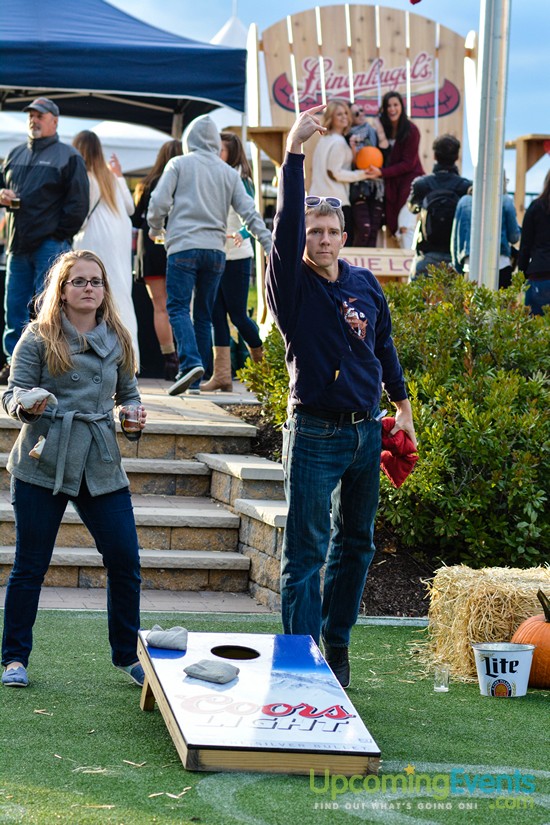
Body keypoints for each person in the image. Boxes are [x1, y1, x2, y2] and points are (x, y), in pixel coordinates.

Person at [265, 105, 416, 689]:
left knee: (358, 544)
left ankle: (338, 644)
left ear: (345, 236)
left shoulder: (363, 282)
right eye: (313, 233)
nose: (323, 240)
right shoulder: (291, 286)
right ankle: (298, 662)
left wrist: (401, 405)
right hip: (315, 433)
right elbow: (282, 232)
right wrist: (294, 155)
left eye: (331, 232)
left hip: (363, 433)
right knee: (305, 556)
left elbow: (383, 346)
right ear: (302, 239)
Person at [1, 250, 147, 689]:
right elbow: (13, 394)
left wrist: (133, 416)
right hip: (44, 458)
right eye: (79, 281)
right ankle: (14, 660)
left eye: (96, 282)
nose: (89, 288)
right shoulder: (38, 336)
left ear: (104, 291)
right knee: (31, 565)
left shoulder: (119, 338)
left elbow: (130, 394)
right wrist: (27, 405)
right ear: (61, 291)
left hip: (100, 461)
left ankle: (127, 655)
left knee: (125, 559)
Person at [147, 116, 272, 396]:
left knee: (178, 308)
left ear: (189, 139)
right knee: (203, 315)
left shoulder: (179, 164)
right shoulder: (229, 173)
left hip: (183, 247)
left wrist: (156, 228)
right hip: (216, 252)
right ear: (215, 142)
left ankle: (190, 364)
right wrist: (270, 244)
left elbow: (158, 203)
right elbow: (249, 214)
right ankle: (194, 383)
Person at [0, 98, 89, 384]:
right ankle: (15, 365)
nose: (33, 120)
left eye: (40, 115)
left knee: (47, 309)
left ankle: (46, 366)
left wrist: (58, 234)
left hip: (50, 247)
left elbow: (78, 204)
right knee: (14, 308)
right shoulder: (14, 154)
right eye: (31, 115)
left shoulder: (69, 156)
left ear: (55, 121)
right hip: (17, 245)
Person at [201, 132, 270, 392]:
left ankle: (263, 372)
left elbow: (251, 215)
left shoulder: (241, 179)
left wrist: (242, 234)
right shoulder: (213, 178)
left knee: (239, 315)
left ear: (232, 153)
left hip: (237, 258)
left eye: (221, 149)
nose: (216, 152)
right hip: (216, 254)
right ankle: (222, 376)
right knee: (216, 315)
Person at [72, 131, 140, 369]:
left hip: (94, 242)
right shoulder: (110, 178)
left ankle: (97, 361)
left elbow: (79, 217)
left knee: (91, 300)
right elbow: (131, 208)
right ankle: (130, 361)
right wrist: (120, 176)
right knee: (121, 298)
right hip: (119, 244)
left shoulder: (84, 177)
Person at [132, 140, 182, 381]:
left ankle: (169, 359)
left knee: (160, 307)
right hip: (177, 244)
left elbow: (135, 218)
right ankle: (184, 358)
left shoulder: (146, 183)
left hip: (150, 247)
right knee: (180, 306)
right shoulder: (183, 181)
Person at [364, 91, 424, 248]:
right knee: (392, 226)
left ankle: (409, 267)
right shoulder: (381, 129)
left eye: (395, 105)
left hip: (410, 184)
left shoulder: (411, 130)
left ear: (401, 107)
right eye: (388, 105)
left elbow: (408, 164)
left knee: (405, 223)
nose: (392, 109)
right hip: (391, 185)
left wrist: (382, 173)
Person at [407, 134, 472, 279]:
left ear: (434, 155)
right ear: (456, 157)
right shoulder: (465, 187)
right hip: (455, 257)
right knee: (453, 301)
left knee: (416, 299)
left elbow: (411, 208)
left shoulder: (422, 184)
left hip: (426, 254)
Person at [309, 100, 370, 245]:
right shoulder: (338, 142)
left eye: (345, 113)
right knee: (339, 248)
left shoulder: (324, 140)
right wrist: (364, 174)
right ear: (331, 117)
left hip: (317, 200)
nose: (344, 117)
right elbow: (335, 172)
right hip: (336, 202)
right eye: (339, 114)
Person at [451, 183, 521, 288]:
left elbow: (455, 240)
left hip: (470, 264)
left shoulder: (464, 201)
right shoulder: (505, 201)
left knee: (471, 303)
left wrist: (458, 266)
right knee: (498, 303)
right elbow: (514, 237)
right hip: (500, 264)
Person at [347, 103, 388, 247]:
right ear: (350, 118)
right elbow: (351, 165)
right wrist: (353, 147)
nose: (361, 114)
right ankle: (355, 267)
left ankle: (368, 269)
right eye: (356, 113)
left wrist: (379, 126)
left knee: (374, 232)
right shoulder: (348, 136)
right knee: (364, 229)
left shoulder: (373, 131)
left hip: (377, 185)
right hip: (360, 186)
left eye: (361, 109)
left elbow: (384, 148)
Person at [518, 170, 550, 315]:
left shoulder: (536, 207)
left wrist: (522, 274)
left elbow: (525, 245)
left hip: (539, 273)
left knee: (534, 331)